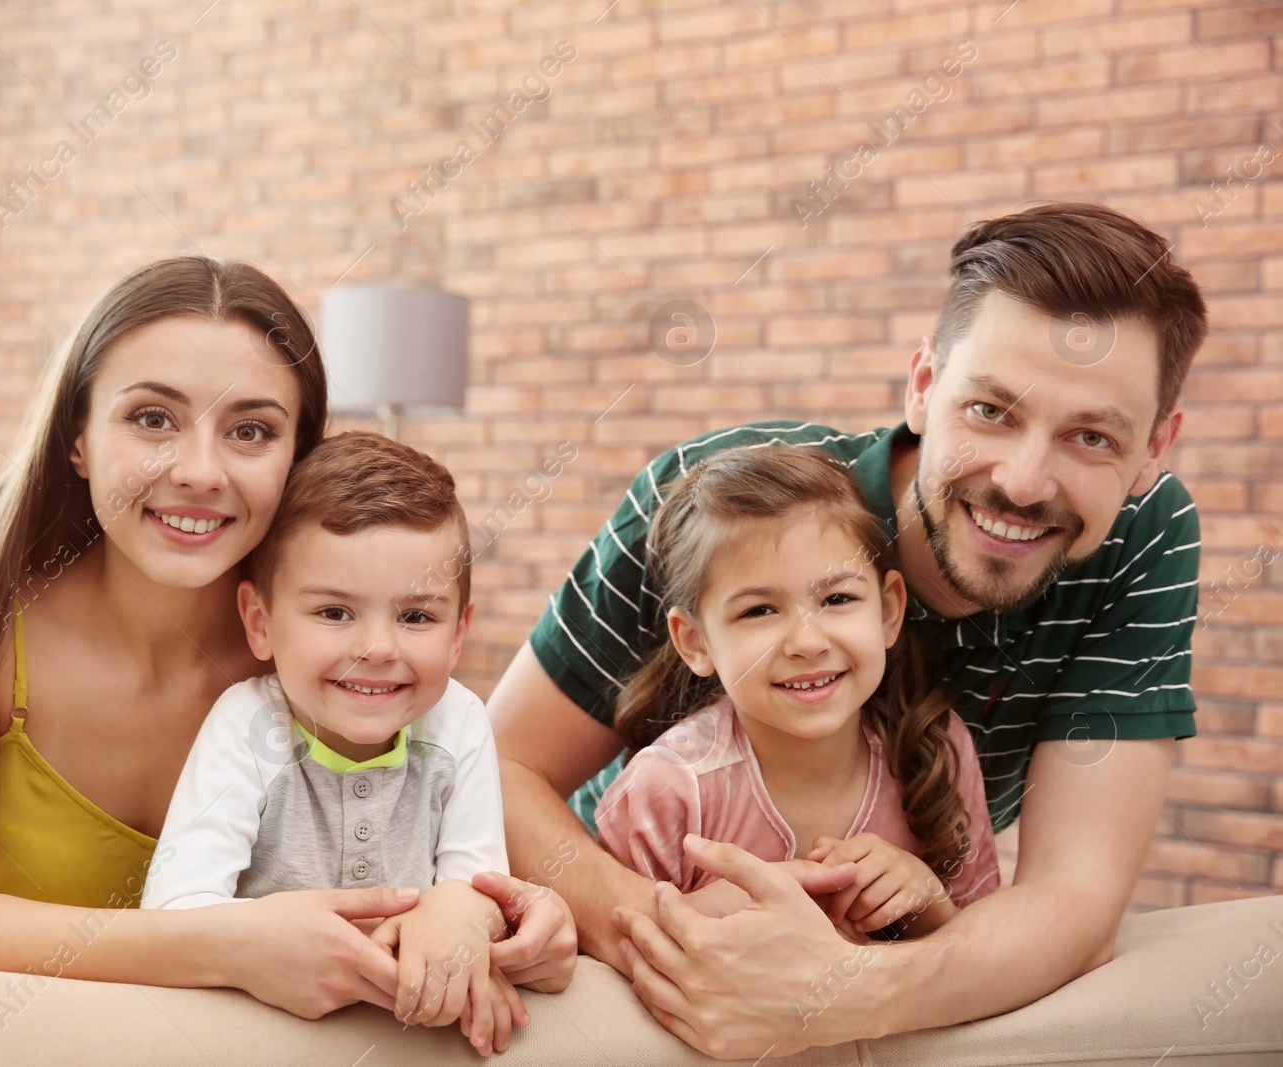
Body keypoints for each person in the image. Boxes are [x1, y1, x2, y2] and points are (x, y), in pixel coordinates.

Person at [487, 202, 1208, 1057]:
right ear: (923, 386)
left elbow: (1075, 904)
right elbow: (499, 766)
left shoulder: (1146, 536)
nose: (1022, 480)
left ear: (1156, 446)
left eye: (1092, 435)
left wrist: (827, 993)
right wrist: (693, 946)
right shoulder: (716, 498)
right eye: (990, 411)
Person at [0, 255, 576, 1020]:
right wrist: (222, 947)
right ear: (79, 436)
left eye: (251, 430)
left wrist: (529, 920)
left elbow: (470, 852)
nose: (199, 470)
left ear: (298, 458)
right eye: (152, 418)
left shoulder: (337, 656)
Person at [143, 431, 532, 1055]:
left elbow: (479, 883)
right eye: (334, 612)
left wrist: (462, 915)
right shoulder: (247, 725)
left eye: (415, 617)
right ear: (260, 623)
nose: (378, 649)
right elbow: (173, 909)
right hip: (256, 1034)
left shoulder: (460, 723)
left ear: (459, 634)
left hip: (401, 1038)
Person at [593, 446, 999, 939]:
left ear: (889, 610)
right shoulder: (665, 790)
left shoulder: (938, 748)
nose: (807, 642)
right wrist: (700, 916)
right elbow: (612, 970)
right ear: (695, 642)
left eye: (837, 599)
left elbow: (985, 941)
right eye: (759, 611)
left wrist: (928, 899)